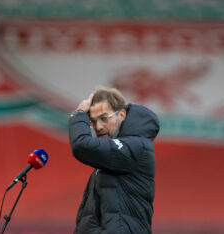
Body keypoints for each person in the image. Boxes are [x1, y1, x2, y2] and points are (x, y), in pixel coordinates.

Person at [68, 87, 160, 234]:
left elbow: (82, 145)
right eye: (93, 121)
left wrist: (79, 114)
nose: (98, 127)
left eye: (104, 118)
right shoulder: (113, 154)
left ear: (121, 115)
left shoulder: (136, 146)